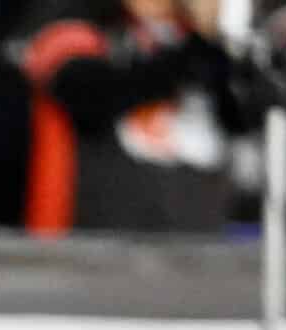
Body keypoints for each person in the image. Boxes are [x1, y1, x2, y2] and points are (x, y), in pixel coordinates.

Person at [25, 0, 249, 234]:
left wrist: (216, 40)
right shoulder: (83, 30)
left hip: (197, 237)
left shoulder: (206, 45)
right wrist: (196, 47)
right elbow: (92, 95)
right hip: (101, 239)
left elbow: (242, 121)